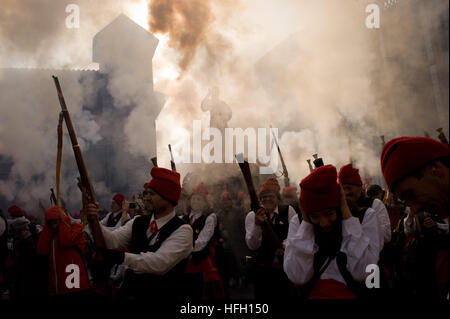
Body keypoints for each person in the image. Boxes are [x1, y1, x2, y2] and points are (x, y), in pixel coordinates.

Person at [85, 167, 193, 301]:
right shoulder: (138, 221)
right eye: (146, 193)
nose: (146, 198)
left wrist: (121, 257)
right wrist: (93, 219)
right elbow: (112, 241)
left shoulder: (183, 230)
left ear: (168, 197)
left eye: (152, 194)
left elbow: (158, 263)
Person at [284, 165, 380, 299]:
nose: (323, 223)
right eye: (315, 217)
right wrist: (306, 224)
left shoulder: (366, 216)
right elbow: (298, 277)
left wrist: (347, 216)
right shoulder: (299, 222)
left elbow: (364, 272)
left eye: (329, 214)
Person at [245, 177, 297, 298]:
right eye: (263, 196)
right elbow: (252, 245)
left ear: (277, 197)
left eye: (271, 196)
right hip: (262, 271)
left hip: (285, 269)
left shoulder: (288, 210)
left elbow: (295, 236)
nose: (267, 199)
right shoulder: (252, 215)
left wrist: (284, 246)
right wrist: (257, 225)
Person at [36, 206, 90, 297]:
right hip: (57, 283)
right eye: (50, 223)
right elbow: (41, 250)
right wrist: (47, 229)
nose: (53, 226)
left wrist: (64, 220)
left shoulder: (76, 228)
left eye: (56, 222)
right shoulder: (51, 234)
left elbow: (66, 241)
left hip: (73, 280)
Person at [183, 182, 225, 299]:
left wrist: (183, 250)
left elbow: (202, 242)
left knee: (202, 293)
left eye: (199, 199)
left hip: (201, 261)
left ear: (205, 202)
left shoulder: (210, 217)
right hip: (185, 260)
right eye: (194, 199)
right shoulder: (184, 217)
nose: (195, 201)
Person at [338, 163, 390, 251]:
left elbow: (387, 236)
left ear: (359, 187)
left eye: (348, 188)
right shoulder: (339, 208)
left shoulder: (375, 204)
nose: (346, 193)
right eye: (343, 189)